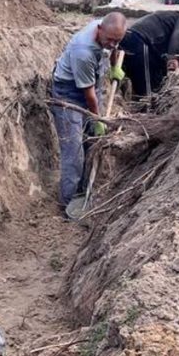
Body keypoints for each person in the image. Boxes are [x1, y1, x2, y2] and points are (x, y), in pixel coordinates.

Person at [50, 12, 127, 209]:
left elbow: (113, 48)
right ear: (100, 30)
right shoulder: (83, 51)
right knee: (74, 151)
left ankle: (84, 189)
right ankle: (68, 202)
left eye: (117, 40)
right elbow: (89, 95)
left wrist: (113, 68)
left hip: (91, 85)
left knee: (91, 141)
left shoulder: (108, 32)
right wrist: (97, 119)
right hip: (68, 94)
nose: (113, 44)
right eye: (110, 40)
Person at [119, 10, 179, 99]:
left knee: (142, 80)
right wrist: (173, 58)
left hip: (132, 38)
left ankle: (136, 100)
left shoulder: (167, 20)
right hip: (140, 40)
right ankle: (147, 103)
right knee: (146, 89)